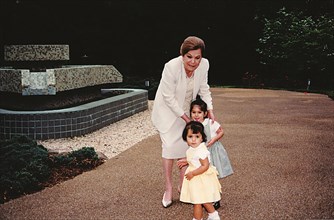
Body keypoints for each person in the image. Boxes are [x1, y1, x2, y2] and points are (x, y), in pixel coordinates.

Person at [151, 36, 215, 208]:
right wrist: (186, 119)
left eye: (197, 58)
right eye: (189, 57)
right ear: (182, 55)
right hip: (167, 111)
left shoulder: (205, 65)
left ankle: (184, 187)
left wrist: (210, 109)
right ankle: (168, 188)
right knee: (169, 147)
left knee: (184, 148)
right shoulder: (171, 66)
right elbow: (168, 97)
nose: (193, 62)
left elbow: (204, 88)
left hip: (186, 110)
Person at [180, 121, 221, 220]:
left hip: (201, 178)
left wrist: (192, 173)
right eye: (190, 137)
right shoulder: (192, 149)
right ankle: (213, 215)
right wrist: (187, 161)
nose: (193, 140)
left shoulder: (201, 150)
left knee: (197, 201)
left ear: (202, 137)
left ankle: (198, 218)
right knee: (203, 199)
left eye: (197, 137)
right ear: (185, 137)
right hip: (197, 178)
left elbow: (205, 166)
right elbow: (194, 159)